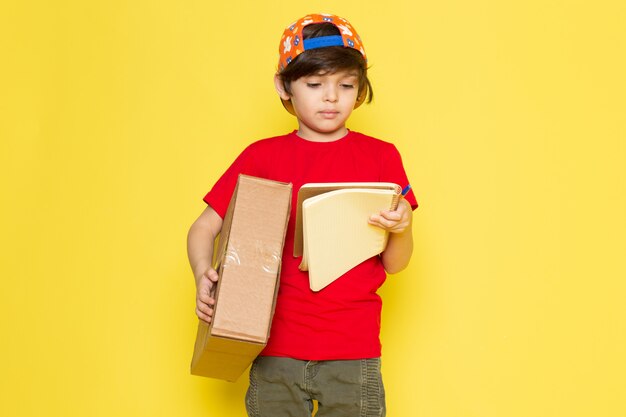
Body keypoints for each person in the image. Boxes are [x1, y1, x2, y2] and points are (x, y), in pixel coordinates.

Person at [187, 13, 418, 417]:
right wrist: (202, 273)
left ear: (360, 90)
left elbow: (395, 265)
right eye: (315, 85)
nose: (331, 97)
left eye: (346, 85)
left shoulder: (382, 157)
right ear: (285, 87)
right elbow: (204, 227)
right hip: (273, 348)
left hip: (353, 350)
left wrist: (403, 227)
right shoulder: (262, 157)